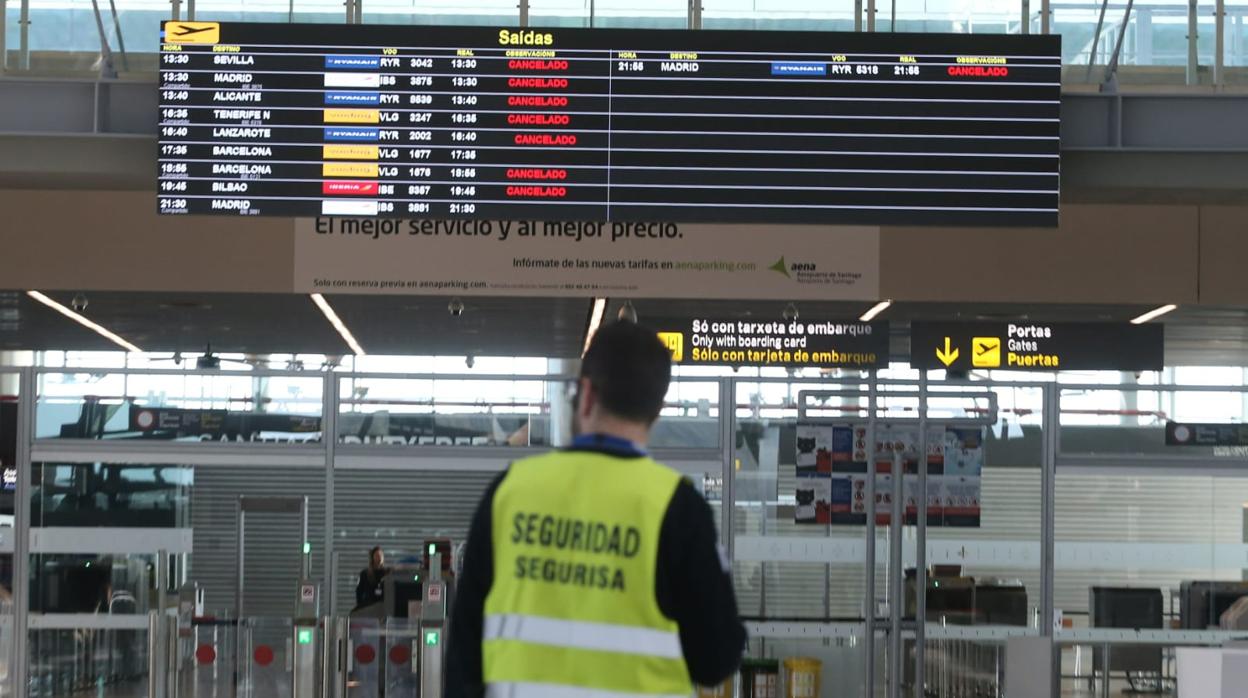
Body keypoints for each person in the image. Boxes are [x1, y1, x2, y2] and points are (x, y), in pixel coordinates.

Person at [446, 321, 746, 698]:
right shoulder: (679, 509)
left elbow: (463, 658)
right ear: (656, 409)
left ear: (585, 394)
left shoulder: (510, 492)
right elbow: (716, 659)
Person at [355, 546, 388, 610]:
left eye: (381, 555)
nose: (379, 557)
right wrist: (360, 607)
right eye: (377, 555)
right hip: (369, 607)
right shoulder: (365, 574)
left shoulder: (387, 573)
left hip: (383, 607)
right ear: (372, 558)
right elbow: (359, 591)